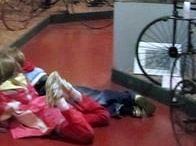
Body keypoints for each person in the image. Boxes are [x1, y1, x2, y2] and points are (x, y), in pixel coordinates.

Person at [0, 53, 110, 143]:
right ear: (17, 69)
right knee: (103, 115)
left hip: (52, 120)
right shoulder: (24, 81)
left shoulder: (2, 93)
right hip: (50, 107)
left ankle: (62, 103)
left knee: (86, 135)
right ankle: (74, 94)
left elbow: (0, 116)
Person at [8, 47, 155, 118]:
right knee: (87, 105)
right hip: (57, 98)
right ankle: (123, 107)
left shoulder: (25, 76)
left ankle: (129, 98)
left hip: (58, 93)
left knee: (93, 98)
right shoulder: (29, 70)